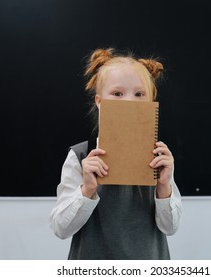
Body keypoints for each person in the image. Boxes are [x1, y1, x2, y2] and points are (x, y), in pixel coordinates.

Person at [50, 48, 182, 260]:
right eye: (117, 94)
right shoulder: (81, 156)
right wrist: (87, 190)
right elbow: (60, 228)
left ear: (151, 102)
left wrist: (164, 187)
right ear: (99, 102)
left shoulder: (158, 156)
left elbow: (171, 227)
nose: (129, 102)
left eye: (139, 94)